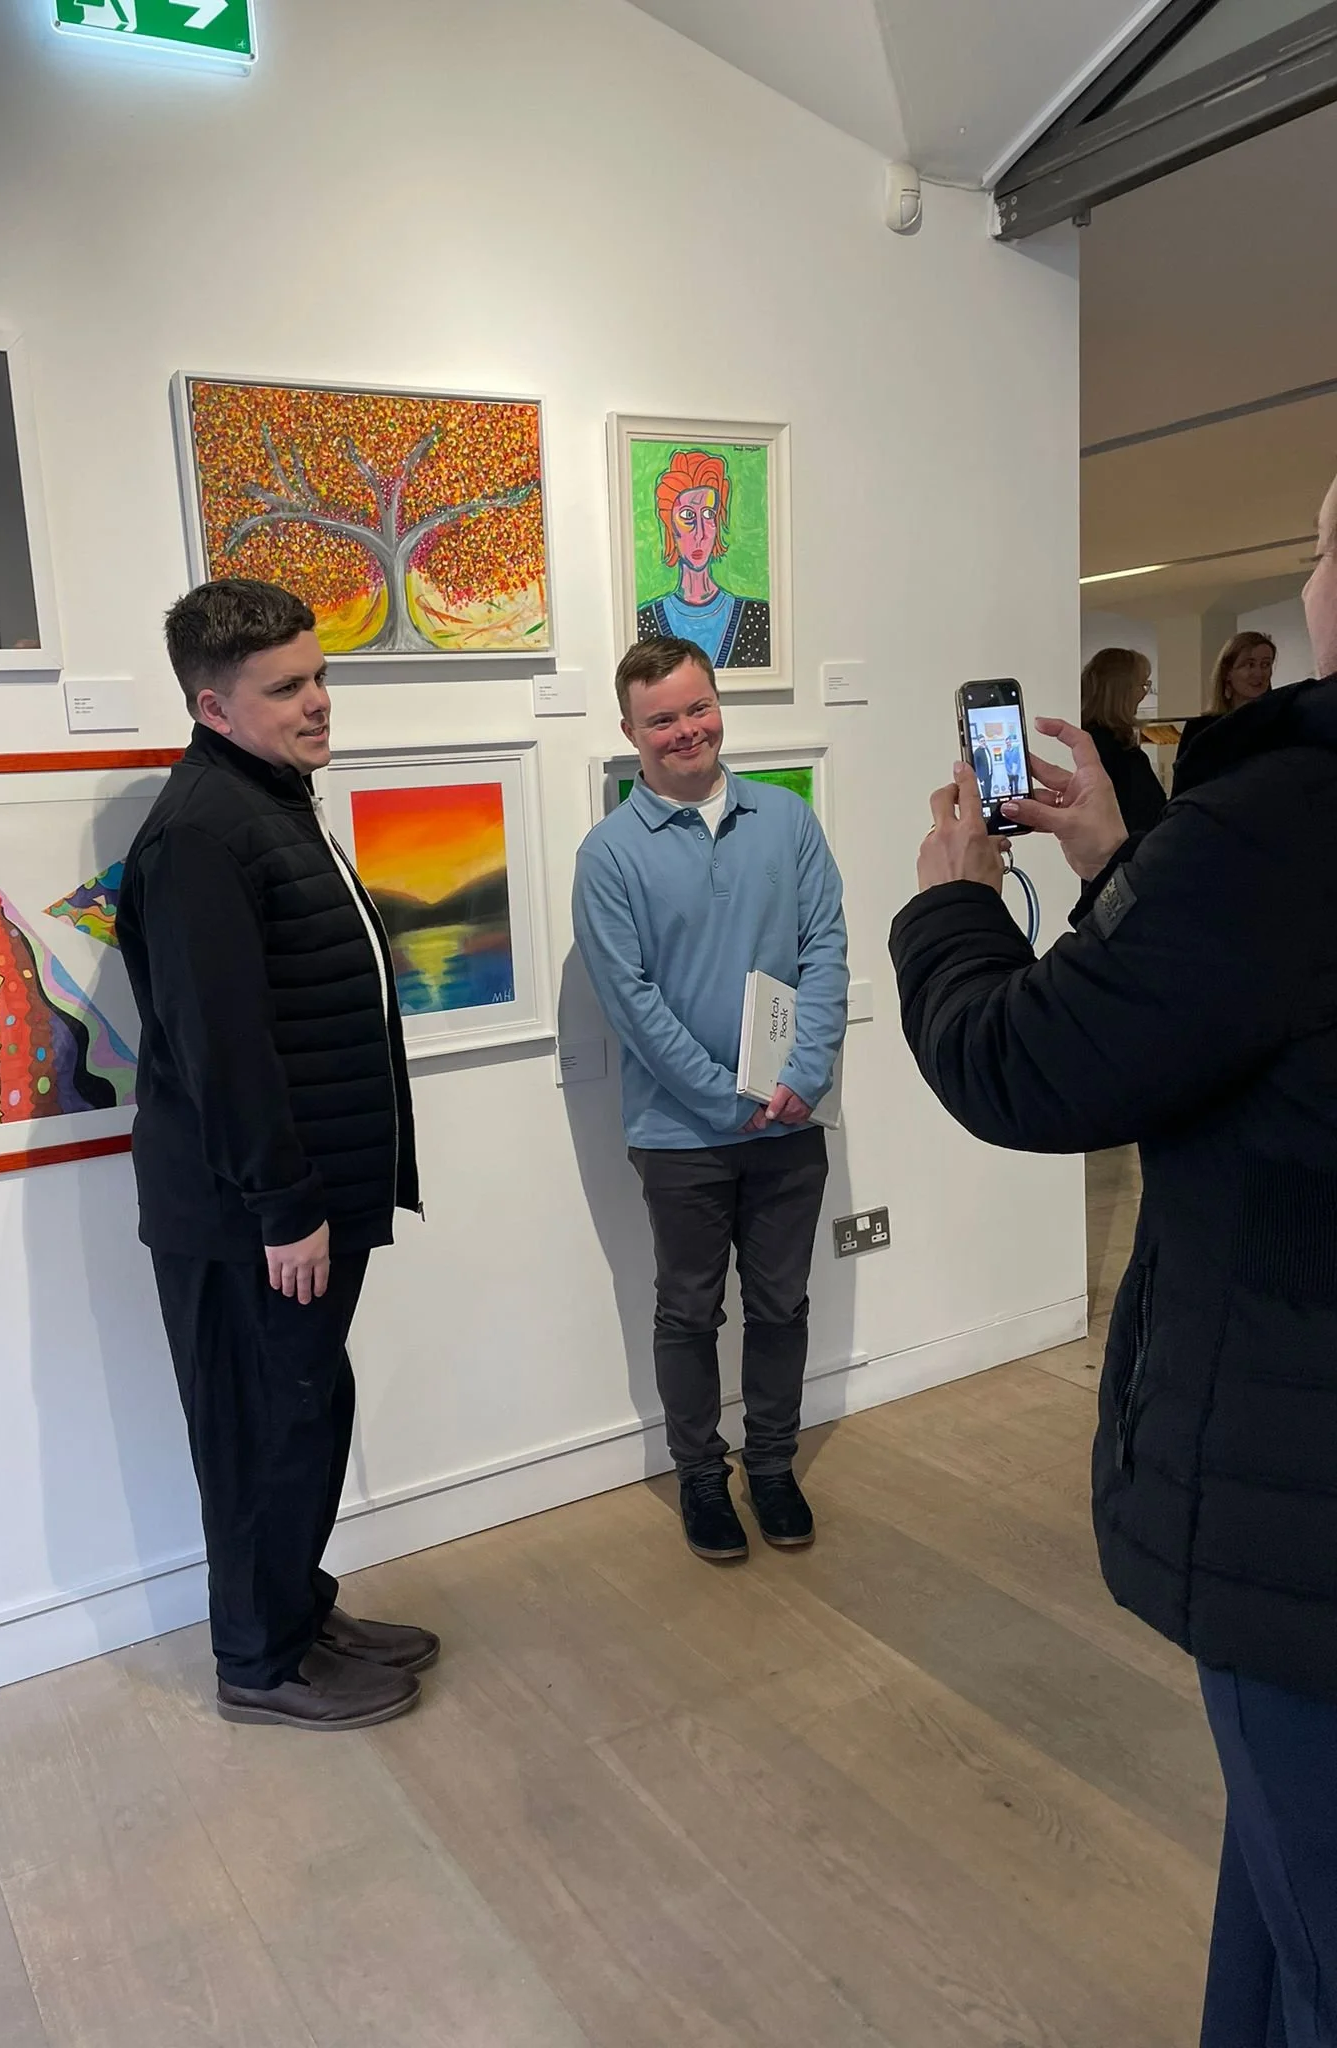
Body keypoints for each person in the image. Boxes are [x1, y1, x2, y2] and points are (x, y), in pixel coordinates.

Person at [888, 472, 1337, 2047]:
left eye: (1327, 545)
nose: (1307, 572)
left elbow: (1031, 1066)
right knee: (1281, 1901)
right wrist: (1125, 854)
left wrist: (951, 909)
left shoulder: (1285, 822)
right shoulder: (1249, 840)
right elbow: (1246, 1012)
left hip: (1300, 1493)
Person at [116, 578, 437, 1732]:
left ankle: (297, 1610)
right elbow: (222, 1045)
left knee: (303, 1404)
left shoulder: (267, 799)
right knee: (261, 1423)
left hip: (298, 1198)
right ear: (214, 704)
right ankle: (260, 1658)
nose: (319, 703)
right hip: (251, 1212)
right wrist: (284, 1204)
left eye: (320, 675)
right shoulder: (203, 831)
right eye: (288, 686)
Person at [572, 636, 848, 1562]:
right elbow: (632, 1004)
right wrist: (731, 1100)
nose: (685, 731)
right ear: (630, 731)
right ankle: (701, 1476)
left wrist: (802, 1076)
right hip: (680, 1134)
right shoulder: (608, 855)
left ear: (718, 705)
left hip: (790, 1120)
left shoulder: (788, 821)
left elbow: (825, 952)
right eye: (661, 719)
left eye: (697, 709)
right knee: (688, 1312)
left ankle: (772, 1465)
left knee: (783, 1305)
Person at [635, 449, 771, 668]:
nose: (701, 532)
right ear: (670, 526)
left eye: (709, 514)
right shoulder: (645, 621)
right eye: (688, 516)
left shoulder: (757, 617)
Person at [1080, 645, 1166, 835]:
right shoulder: (1107, 747)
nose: (1143, 694)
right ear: (1121, 690)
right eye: (1141, 686)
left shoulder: (1103, 741)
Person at [1176, 629, 1277, 769]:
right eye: (1250, 665)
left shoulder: (1281, 724)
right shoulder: (1200, 729)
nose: (1259, 673)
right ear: (1227, 672)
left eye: (1265, 665)